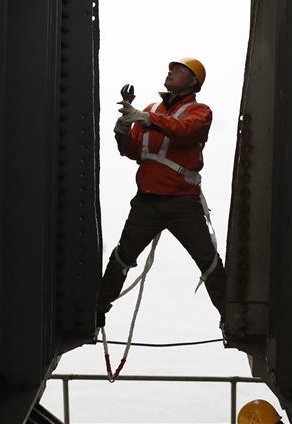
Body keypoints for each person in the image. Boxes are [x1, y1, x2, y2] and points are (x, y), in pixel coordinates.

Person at [95, 57, 226, 329]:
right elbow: (134, 151)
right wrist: (122, 132)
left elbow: (186, 131)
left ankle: (232, 318)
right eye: (170, 68)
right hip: (148, 200)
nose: (171, 72)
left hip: (182, 202)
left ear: (193, 81)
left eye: (178, 69)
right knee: (122, 256)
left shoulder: (200, 111)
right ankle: (96, 312)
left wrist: (144, 118)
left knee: (208, 261)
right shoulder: (150, 109)